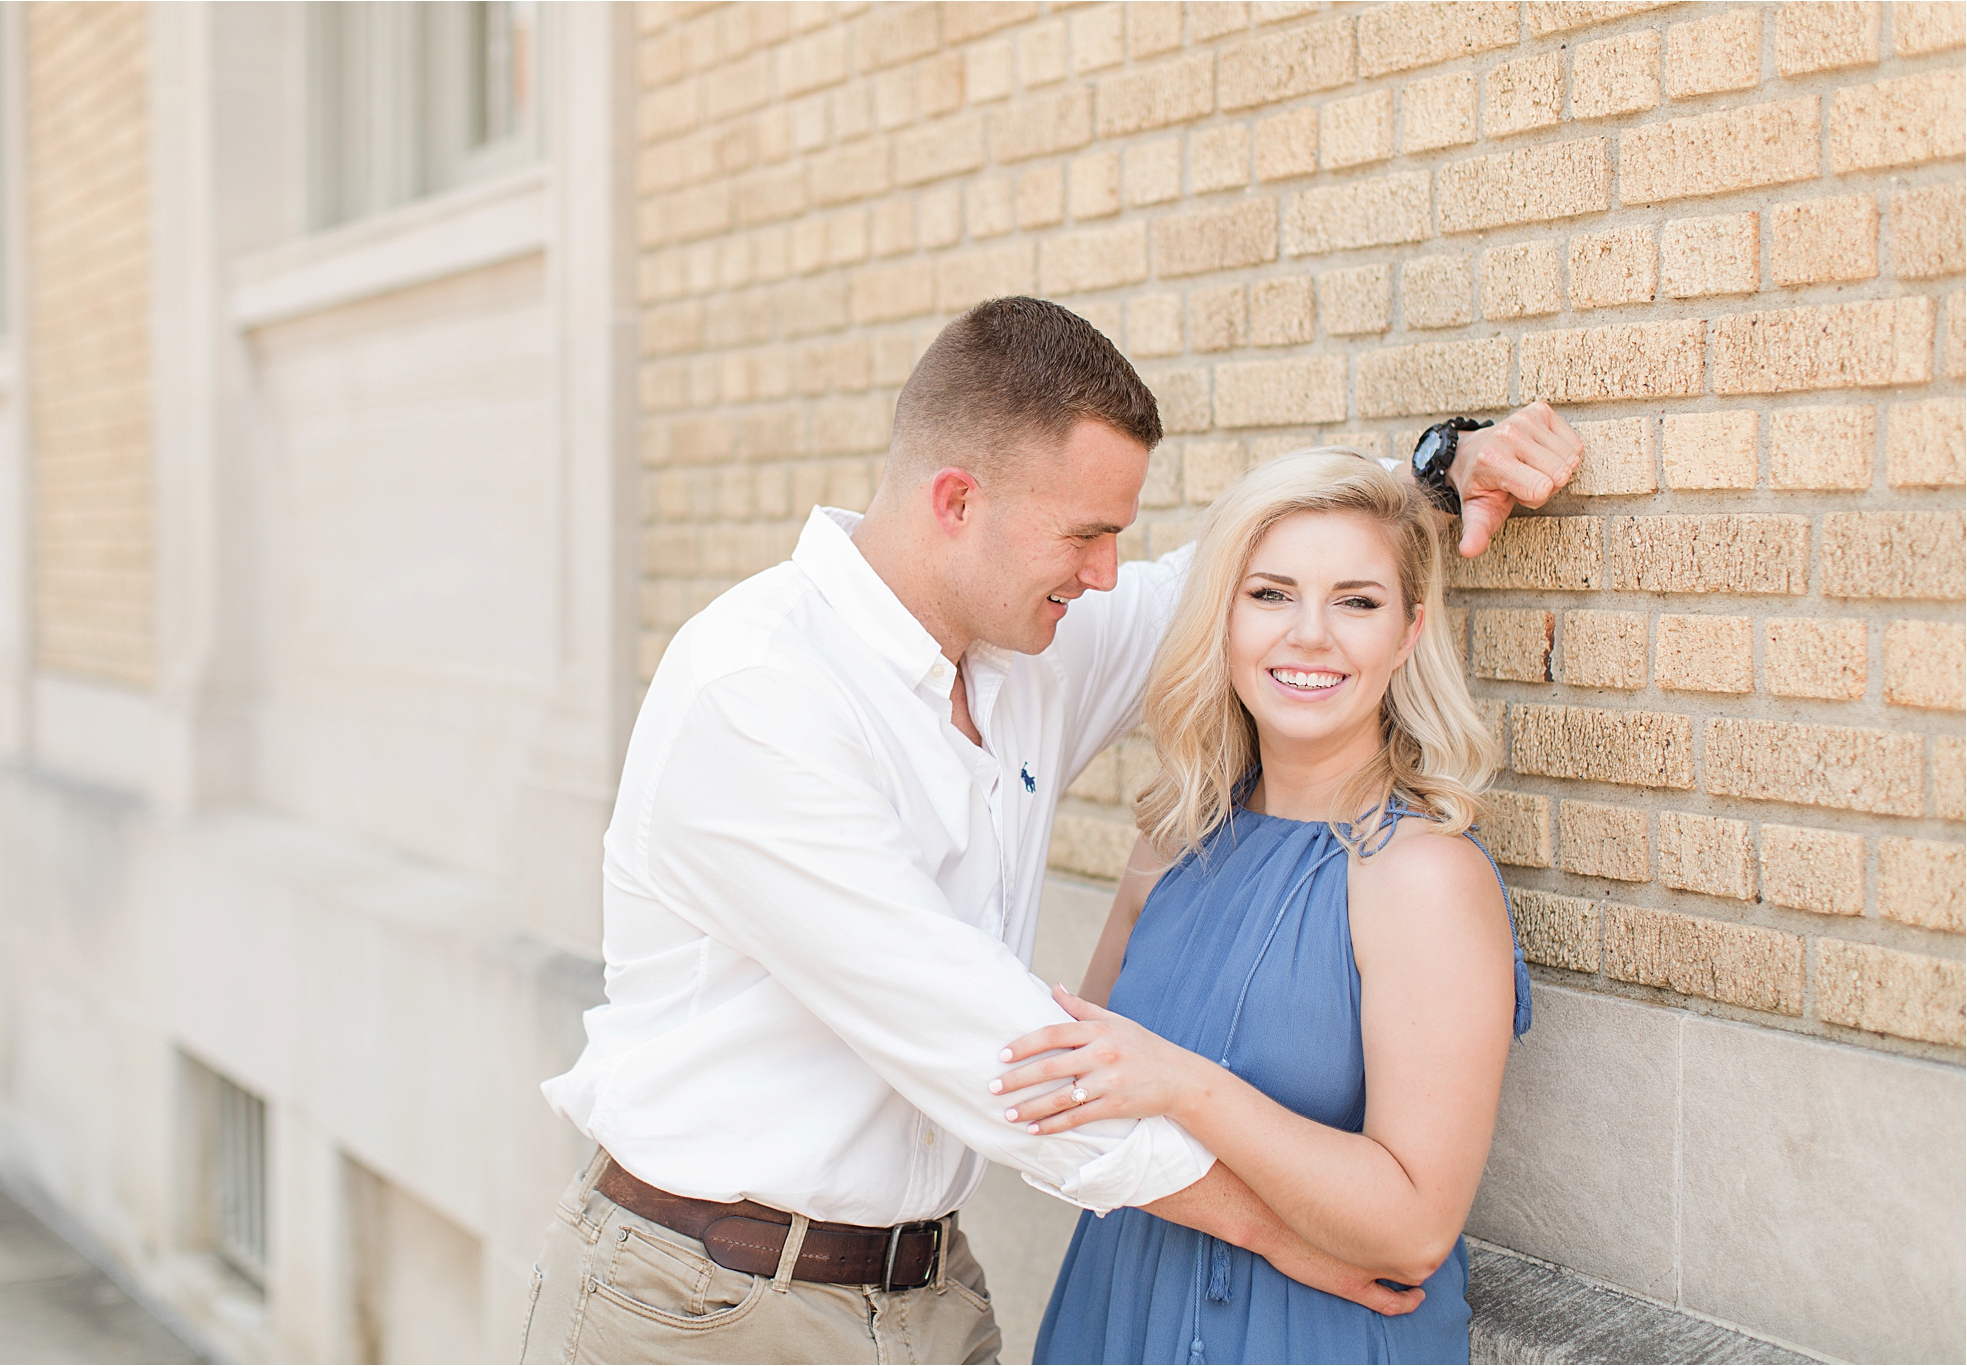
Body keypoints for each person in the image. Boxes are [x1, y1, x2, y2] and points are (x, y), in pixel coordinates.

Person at [520, 297, 1581, 1365]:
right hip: (708, 1305)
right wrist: (1274, 1232)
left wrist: (1437, 476)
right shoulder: (759, 693)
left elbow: (1251, 583)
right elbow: (995, 1051)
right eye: (1086, 534)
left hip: (925, 1294)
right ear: (955, 503)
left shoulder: (1029, 641)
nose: (1107, 572)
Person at [994, 449, 1530, 1365]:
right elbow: (1075, 1100)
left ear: (1408, 632)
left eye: (1357, 602)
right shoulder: (1173, 842)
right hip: (1118, 1313)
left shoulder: (1421, 876)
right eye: (1271, 595)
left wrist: (1188, 1086)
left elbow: (1414, 1228)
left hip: (1311, 1336)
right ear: (1224, 620)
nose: (1310, 635)